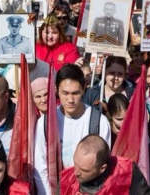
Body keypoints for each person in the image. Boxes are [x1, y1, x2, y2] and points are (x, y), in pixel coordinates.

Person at [34, 65, 111, 195]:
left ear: (83, 90)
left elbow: (103, 166)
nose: (70, 100)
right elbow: (40, 167)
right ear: (56, 90)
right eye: (65, 93)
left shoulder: (99, 122)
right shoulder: (45, 123)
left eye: (75, 93)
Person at [60, 135, 150, 195]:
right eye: (75, 164)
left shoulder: (126, 171)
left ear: (102, 168)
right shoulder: (66, 179)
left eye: (84, 170)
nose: (76, 172)